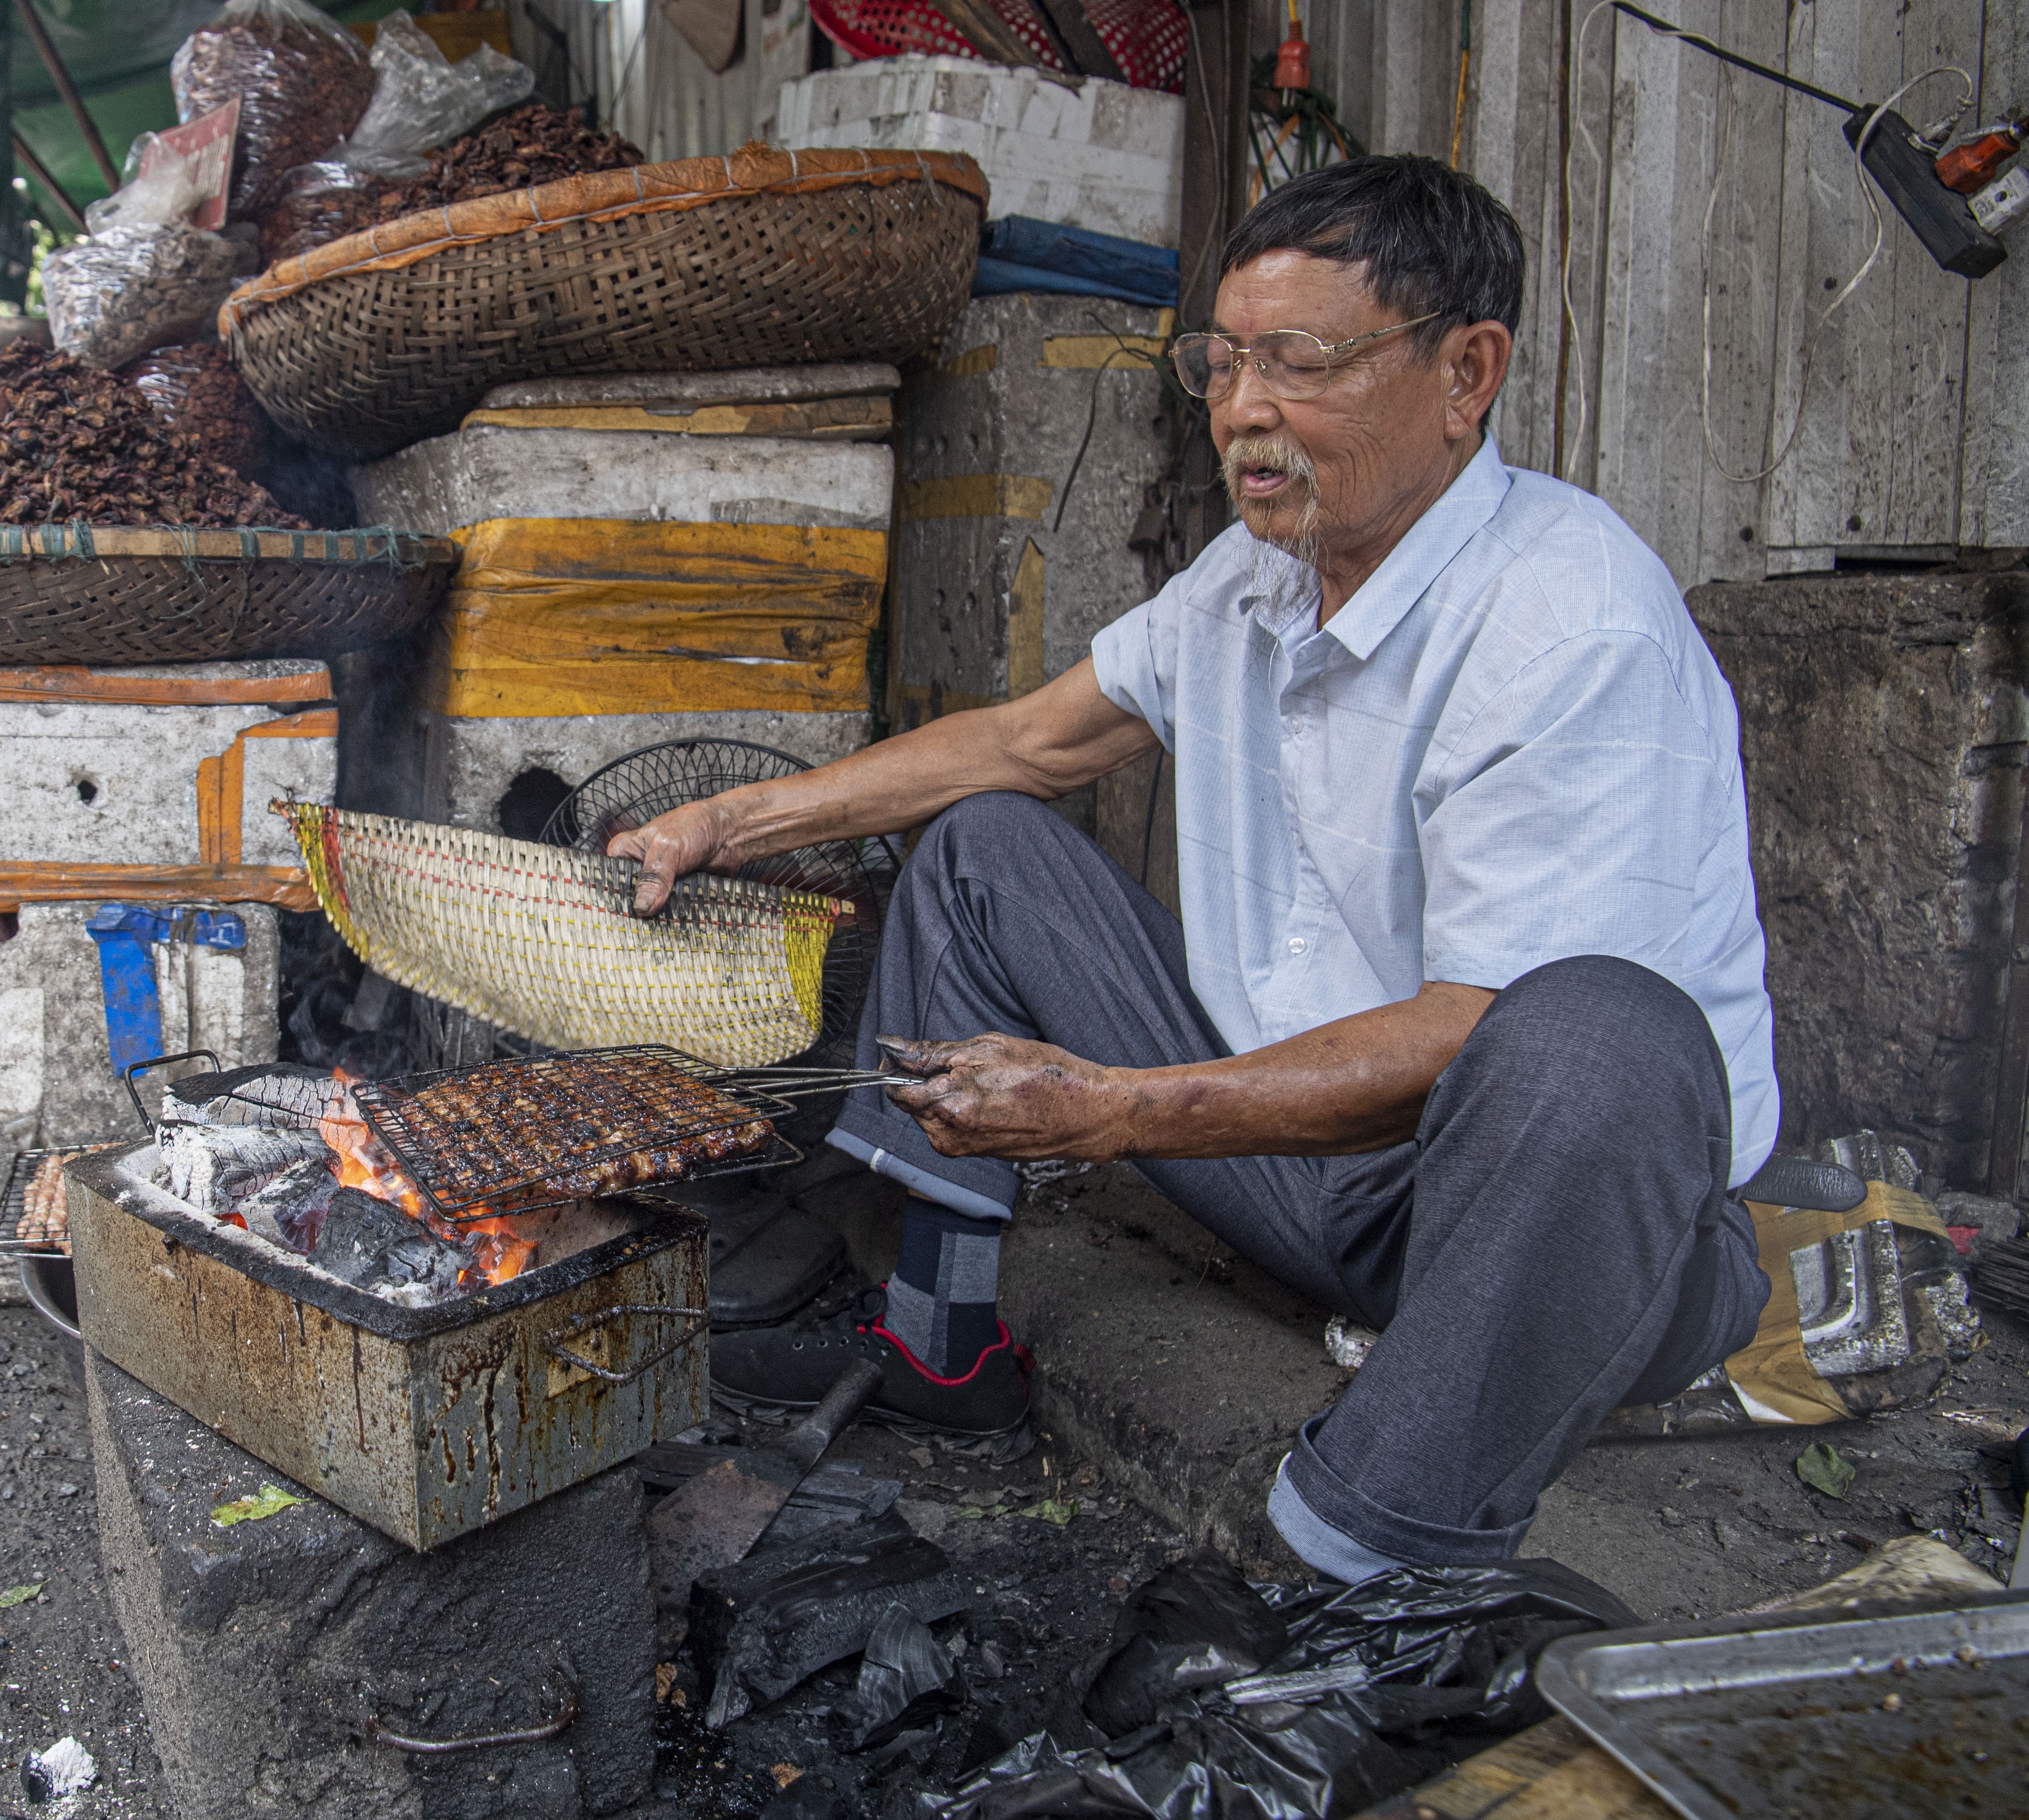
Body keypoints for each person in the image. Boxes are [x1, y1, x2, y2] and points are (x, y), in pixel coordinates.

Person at [616, 156, 1777, 1583]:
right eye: (1221, 364)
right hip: (1294, 1167)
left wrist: (1113, 1111)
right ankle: (939, 1346)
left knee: (1599, 1037)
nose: (1240, 412)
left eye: (1298, 362)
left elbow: (1480, 1042)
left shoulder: (1570, 621)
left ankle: (1343, 1562)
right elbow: (1024, 743)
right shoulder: (1253, 573)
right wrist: (725, 827)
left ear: (1466, 371)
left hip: (1520, 1229)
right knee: (985, 848)